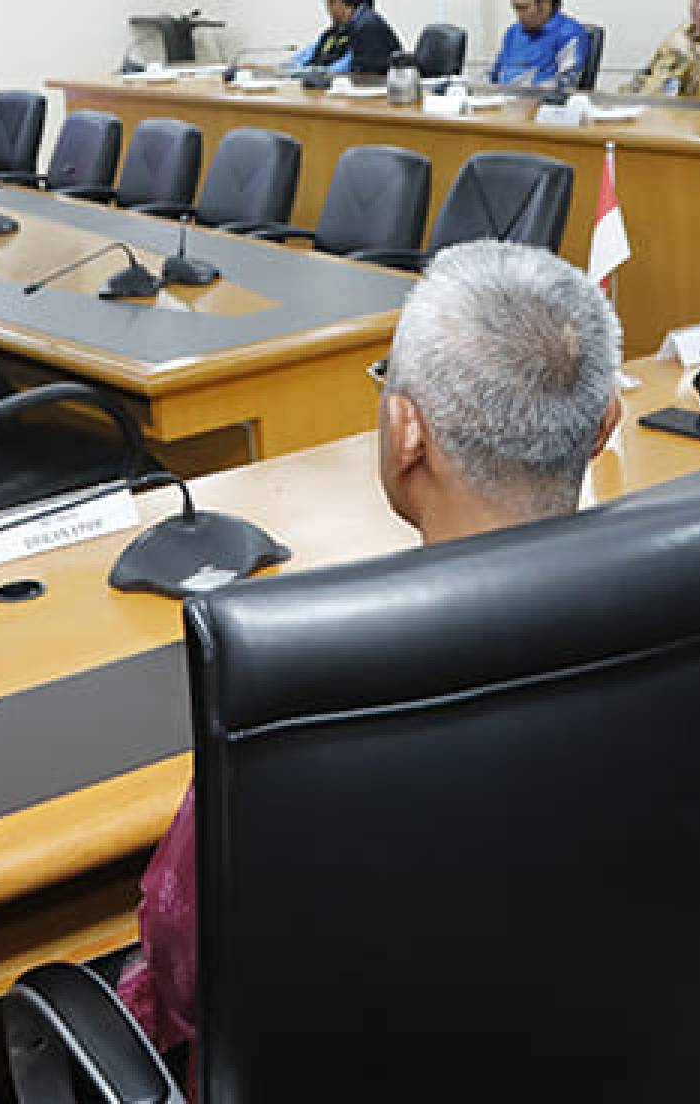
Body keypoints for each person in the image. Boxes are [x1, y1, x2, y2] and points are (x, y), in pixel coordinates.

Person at [117, 241, 624, 1060]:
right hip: (604, 1040)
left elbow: (182, 971)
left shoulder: (303, 679)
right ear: (607, 424)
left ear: (404, 432)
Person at [490, 0, 591, 88]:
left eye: (523, 8)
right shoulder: (513, 32)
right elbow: (494, 75)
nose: (519, 15)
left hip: (542, 103)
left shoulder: (569, 34)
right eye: (515, 9)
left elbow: (565, 85)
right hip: (503, 101)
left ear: (546, 3)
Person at [290, 0, 401, 75]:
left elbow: (353, 70)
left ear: (337, 2)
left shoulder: (367, 27)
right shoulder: (340, 28)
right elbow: (307, 55)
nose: (327, 10)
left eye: (327, 3)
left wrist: (317, 75)